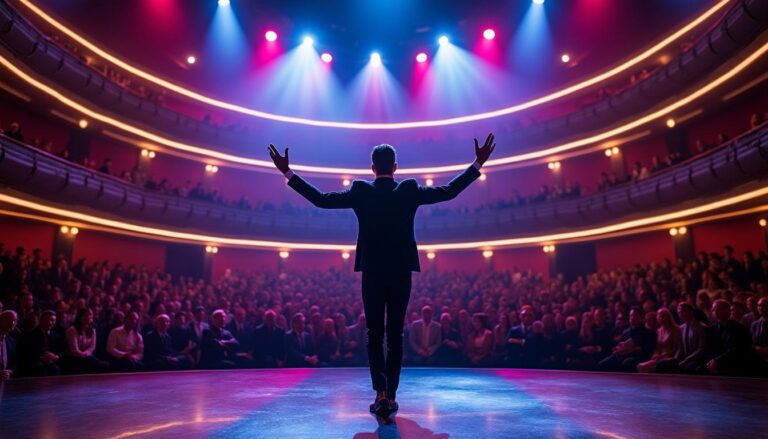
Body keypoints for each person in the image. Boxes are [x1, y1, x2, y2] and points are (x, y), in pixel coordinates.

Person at [268, 133, 495, 417]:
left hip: (372, 271)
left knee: (374, 334)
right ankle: (393, 395)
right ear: (395, 167)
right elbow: (449, 191)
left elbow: (321, 200)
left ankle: (381, 393)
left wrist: (287, 172)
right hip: (400, 271)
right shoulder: (409, 189)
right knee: (396, 335)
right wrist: (477, 164)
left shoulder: (362, 191)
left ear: (373, 168)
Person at [598, 307, 656, 372]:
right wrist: (617, 349)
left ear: (641, 317)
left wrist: (627, 351)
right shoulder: (626, 332)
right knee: (602, 364)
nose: (632, 318)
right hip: (622, 356)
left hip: (638, 357)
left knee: (627, 363)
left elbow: (645, 350)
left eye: (635, 315)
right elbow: (621, 345)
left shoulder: (648, 333)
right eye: (631, 315)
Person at [18, 310, 62, 376]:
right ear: (41, 320)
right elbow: (27, 352)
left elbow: (60, 351)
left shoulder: (56, 336)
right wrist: (41, 358)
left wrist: (55, 357)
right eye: (47, 320)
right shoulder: (30, 334)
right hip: (35, 361)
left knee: (55, 368)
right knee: (40, 368)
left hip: (51, 361)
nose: (50, 323)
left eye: (53, 320)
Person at [0, 310, 19, 380]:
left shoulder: (12, 341)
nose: (13, 323)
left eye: (15, 321)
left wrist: (10, 371)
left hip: (6, 379)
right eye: (9, 320)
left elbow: (14, 362)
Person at [751, 297, 768, 362]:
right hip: (758, 360)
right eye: (759, 305)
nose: (760, 308)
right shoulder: (755, 324)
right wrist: (756, 348)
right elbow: (750, 341)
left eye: (764, 306)